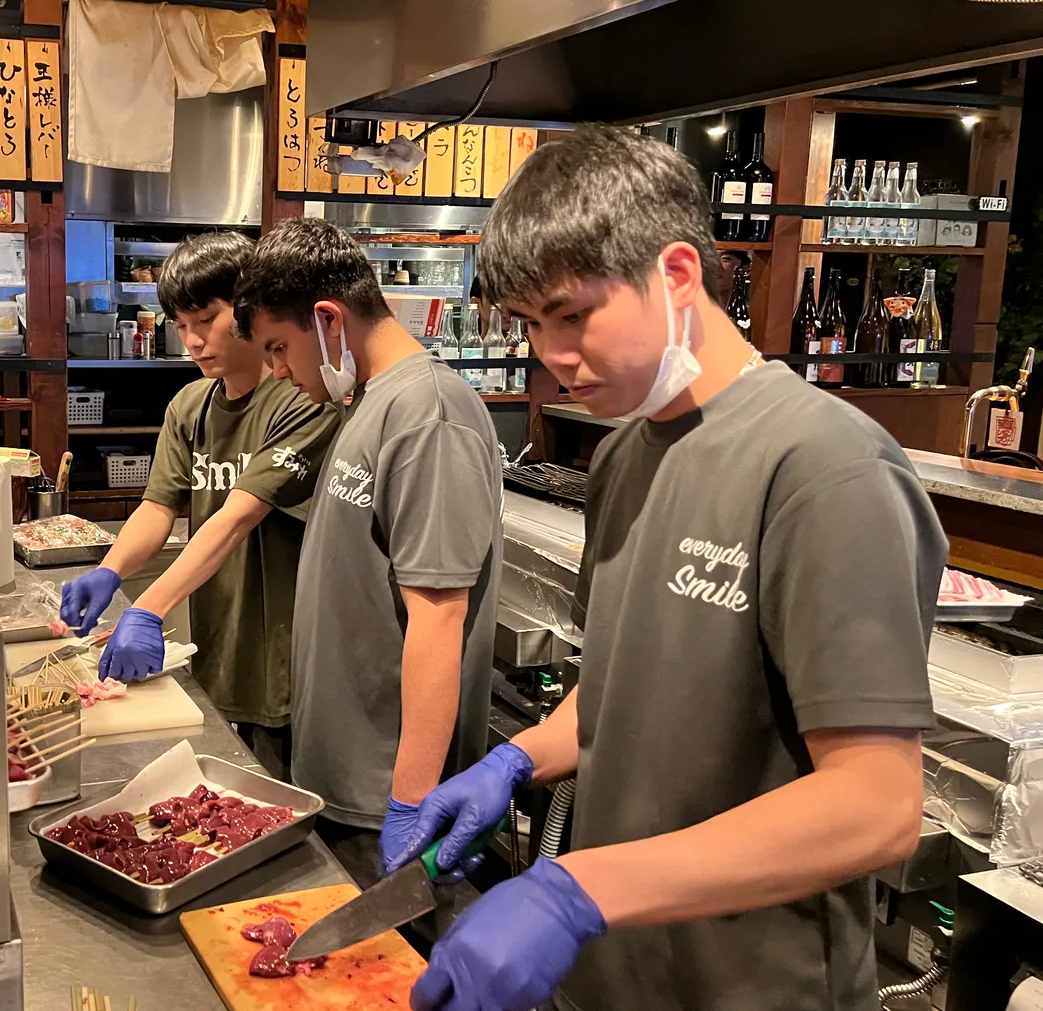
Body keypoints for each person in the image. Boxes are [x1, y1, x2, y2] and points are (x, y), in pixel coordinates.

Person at [393, 125, 943, 1011]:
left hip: (750, 988)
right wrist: (517, 759)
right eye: (530, 325)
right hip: (615, 976)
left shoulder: (824, 466)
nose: (550, 355)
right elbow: (621, 687)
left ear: (678, 274)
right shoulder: (624, 455)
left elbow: (877, 807)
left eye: (572, 315)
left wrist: (578, 890)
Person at [231, 217, 502, 891]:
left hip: (384, 792)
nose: (278, 371)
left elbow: (439, 613)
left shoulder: (429, 413)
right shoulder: (367, 401)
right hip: (337, 776)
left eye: (278, 348)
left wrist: (410, 798)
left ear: (328, 318)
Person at [59, 232, 339, 772]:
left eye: (207, 319)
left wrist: (149, 606)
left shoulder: (303, 400)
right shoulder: (190, 404)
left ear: (251, 310)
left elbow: (239, 516)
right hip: (219, 638)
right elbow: (158, 506)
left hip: (285, 651)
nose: (192, 340)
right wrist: (111, 569)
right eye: (181, 325)